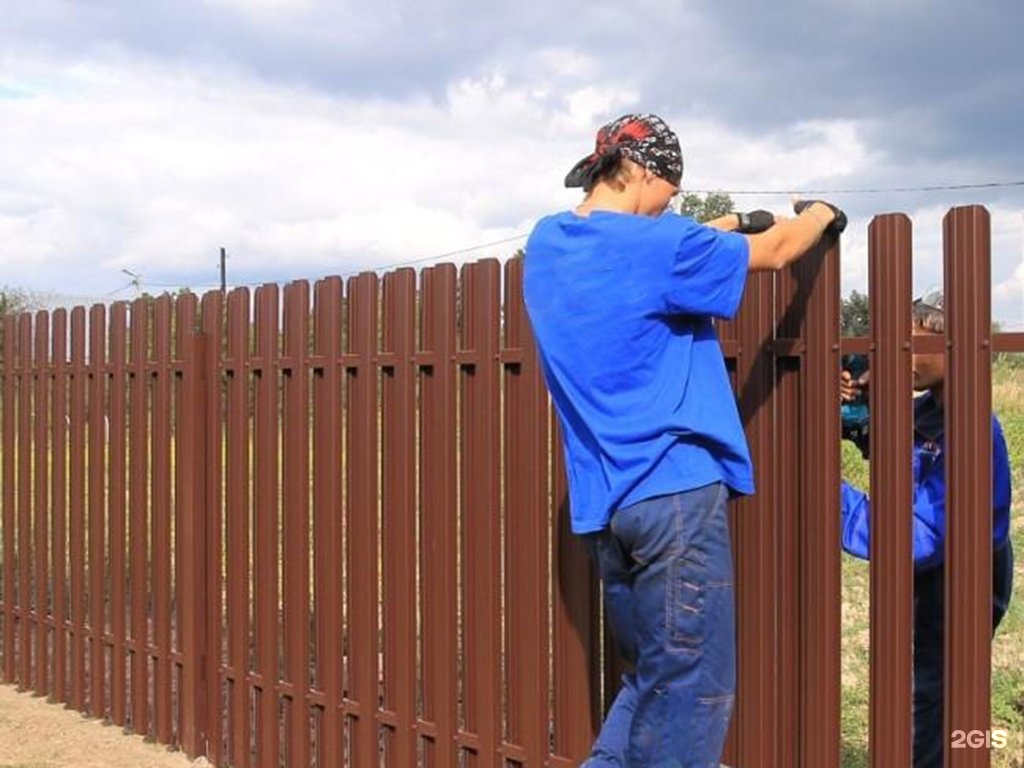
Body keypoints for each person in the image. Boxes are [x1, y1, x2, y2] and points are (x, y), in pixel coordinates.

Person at [523, 112, 847, 768]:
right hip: (674, 499)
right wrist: (819, 214)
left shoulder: (549, 243)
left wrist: (728, 223)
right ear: (644, 171)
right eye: (673, 189)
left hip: (606, 509)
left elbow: (653, 245)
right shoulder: (658, 251)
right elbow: (782, 252)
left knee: (648, 682)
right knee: (693, 694)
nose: (675, 202)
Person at [839, 290, 1014, 768]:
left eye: (916, 344)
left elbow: (919, 535)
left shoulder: (974, 429)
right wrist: (861, 415)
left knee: (934, 688)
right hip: (937, 573)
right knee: (927, 682)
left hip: (962, 579)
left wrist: (832, 498)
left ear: (955, 348)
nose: (905, 355)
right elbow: (897, 456)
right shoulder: (928, 410)